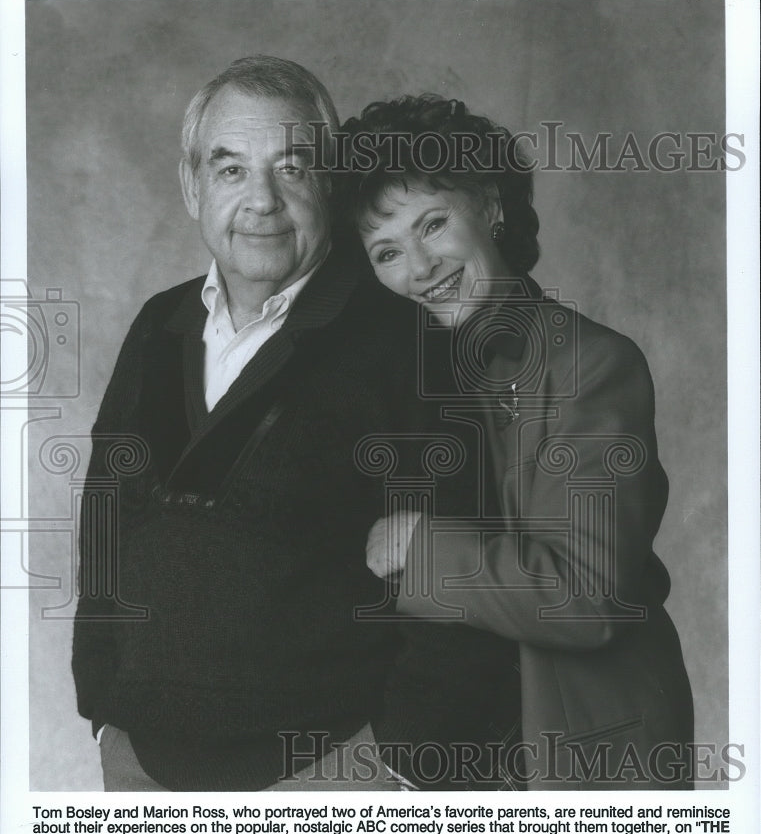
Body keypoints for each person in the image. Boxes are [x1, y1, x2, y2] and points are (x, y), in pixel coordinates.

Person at [71, 58, 520, 792]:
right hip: (140, 766)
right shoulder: (163, 323)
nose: (262, 201)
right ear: (192, 186)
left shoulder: (405, 340)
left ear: (330, 184)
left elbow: (463, 568)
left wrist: (400, 759)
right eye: (230, 169)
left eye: (290, 167)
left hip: (326, 775)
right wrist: (103, 704)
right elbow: (108, 516)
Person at [337, 94, 695, 789]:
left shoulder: (587, 364)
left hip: (583, 745)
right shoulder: (396, 383)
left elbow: (585, 599)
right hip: (442, 759)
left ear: (490, 205)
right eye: (385, 251)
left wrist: (416, 547)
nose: (419, 266)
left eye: (432, 223)